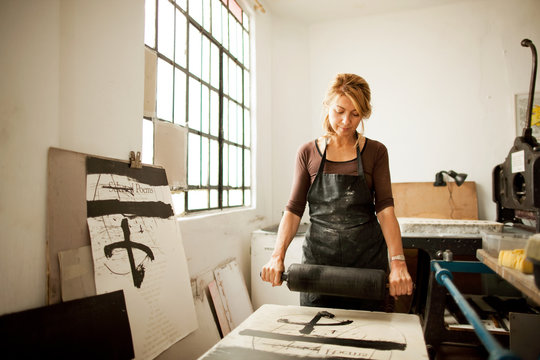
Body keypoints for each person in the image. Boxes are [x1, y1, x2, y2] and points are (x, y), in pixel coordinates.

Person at [261, 73, 413, 311]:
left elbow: (385, 210)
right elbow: (293, 211)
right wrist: (277, 256)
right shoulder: (307, 153)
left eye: (355, 114)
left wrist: (398, 262)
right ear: (327, 107)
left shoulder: (376, 152)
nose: (346, 121)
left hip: (367, 265)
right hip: (319, 267)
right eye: (339, 111)